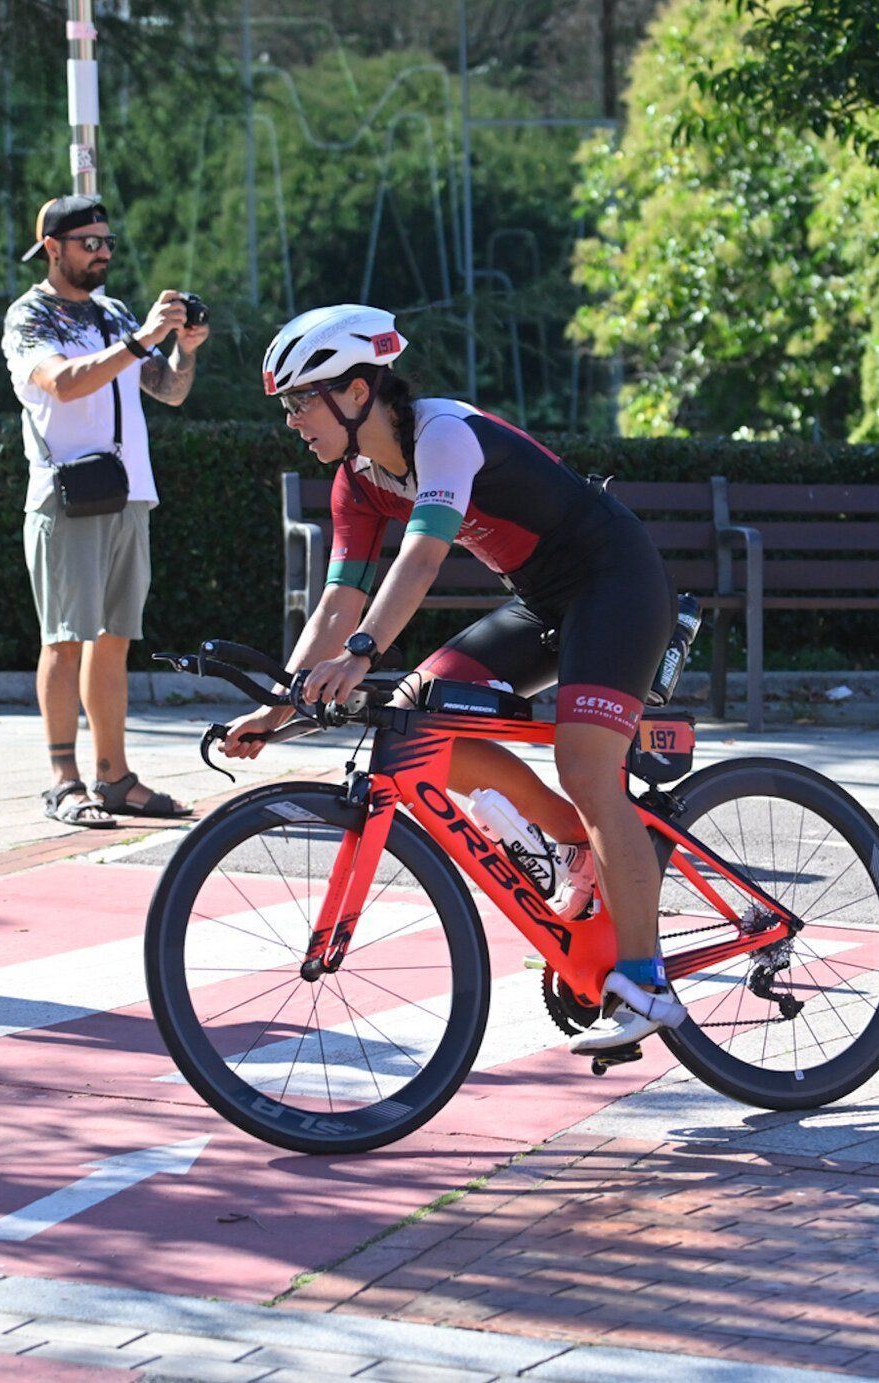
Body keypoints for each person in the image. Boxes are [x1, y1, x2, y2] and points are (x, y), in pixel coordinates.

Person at [224, 304, 683, 1055]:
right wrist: (281, 706)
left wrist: (364, 652)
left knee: (587, 766)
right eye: (287, 405)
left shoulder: (442, 436)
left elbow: (422, 558)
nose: (292, 420)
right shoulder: (356, 481)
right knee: (417, 716)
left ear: (356, 389)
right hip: (542, 600)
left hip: (616, 581)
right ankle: (572, 845)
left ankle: (646, 981)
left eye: (302, 400)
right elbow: (338, 601)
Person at [2, 194, 209, 828]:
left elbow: (166, 391)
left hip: (129, 493)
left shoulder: (115, 312)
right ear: (53, 248)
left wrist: (184, 348)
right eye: (89, 243)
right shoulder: (29, 316)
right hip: (68, 496)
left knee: (114, 641)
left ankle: (114, 777)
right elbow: (63, 383)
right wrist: (142, 339)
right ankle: (64, 780)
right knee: (65, 640)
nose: (103, 254)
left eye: (108, 243)